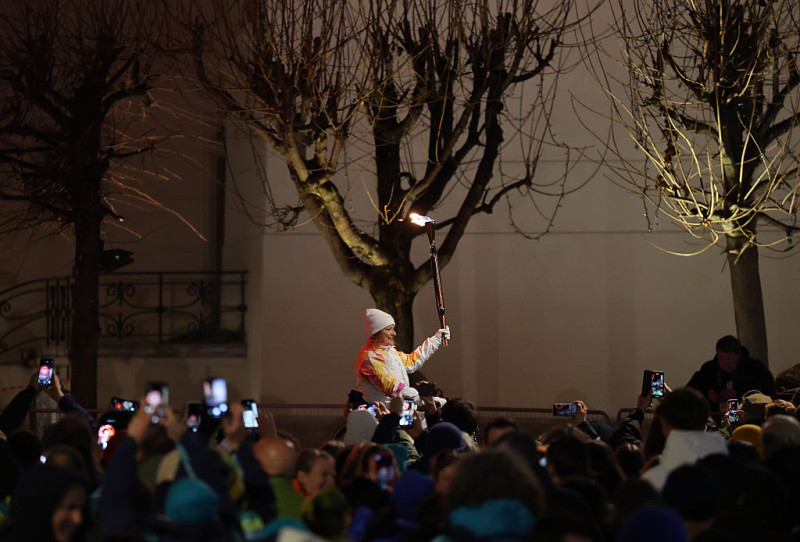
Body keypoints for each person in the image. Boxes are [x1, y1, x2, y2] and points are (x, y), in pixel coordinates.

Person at [354, 308, 450, 403]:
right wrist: (420, 399)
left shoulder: (390, 352)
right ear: (376, 332)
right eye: (389, 329)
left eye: (393, 329)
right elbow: (392, 387)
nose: (394, 333)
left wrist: (436, 339)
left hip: (397, 409)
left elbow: (412, 361)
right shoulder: (370, 358)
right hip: (381, 414)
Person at [686, 335, 775, 413]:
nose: (725, 363)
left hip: (747, 418)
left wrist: (740, 395)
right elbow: (689, 393)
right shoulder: (708, 369)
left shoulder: (756, 369)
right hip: (715, 418)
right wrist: (708, 395)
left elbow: (769, 395)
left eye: (729, 359)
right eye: (721, 359)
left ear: (738, 355)